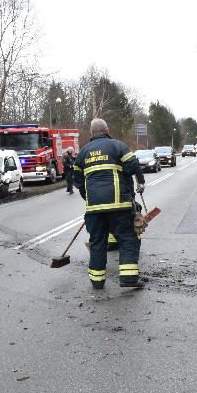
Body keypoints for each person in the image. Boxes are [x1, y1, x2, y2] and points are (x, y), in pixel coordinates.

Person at [74, 118, 145, 289]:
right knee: (128, 239)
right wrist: (140, 182)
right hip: (119, 206)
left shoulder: (83, 152)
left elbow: (78, 181)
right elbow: (133, 164)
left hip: (94, 210)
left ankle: (97, 282)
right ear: (106, 130)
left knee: (98, 243)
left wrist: (90, 200)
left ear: (91, 132)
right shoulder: (116, 146)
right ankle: (128, 279)